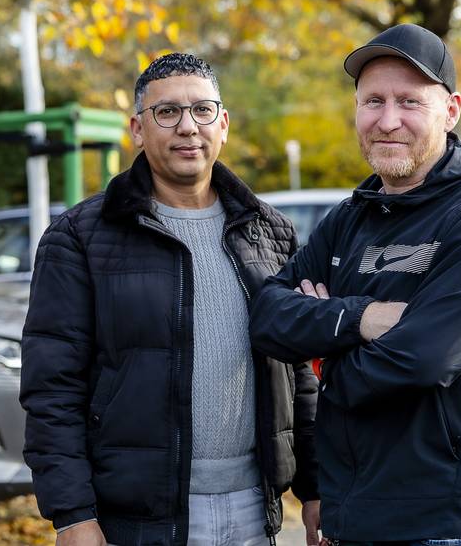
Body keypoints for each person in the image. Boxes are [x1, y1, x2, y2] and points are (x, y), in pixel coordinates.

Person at [20, 53, 321, 546]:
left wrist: (316, 488)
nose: (188, 127)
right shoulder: (79, 238)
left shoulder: (271, 234)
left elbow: (299, 377)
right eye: (167, 113)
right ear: (137, 129)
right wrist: (72, 514)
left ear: (222, 124)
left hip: (254, 511)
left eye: (202, 110)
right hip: (136, 522)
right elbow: (51, 390)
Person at [249, 24, 461, 546]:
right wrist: (361, 319)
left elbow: (423, 359)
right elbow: (267, 318)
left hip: (453, 525)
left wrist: (322, 356)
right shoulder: (347, 221)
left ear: (451, 111)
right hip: (353, 519)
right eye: (372, 100)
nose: (388, 120)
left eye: (409, 102)